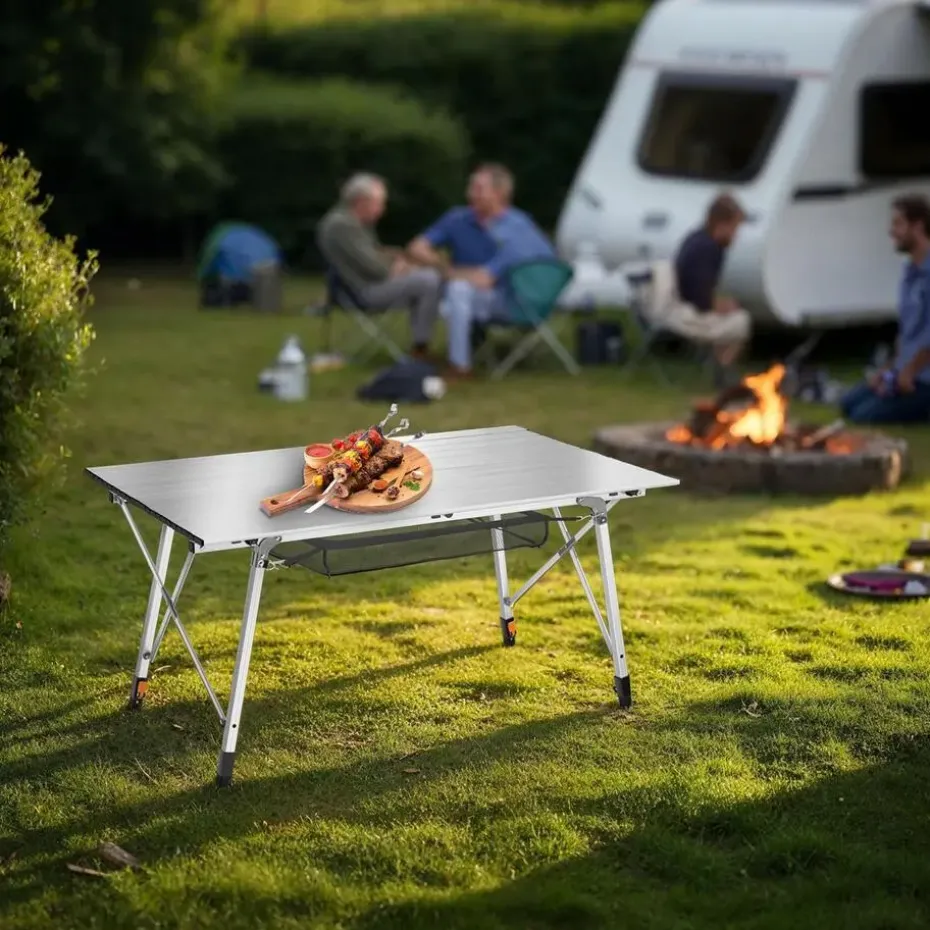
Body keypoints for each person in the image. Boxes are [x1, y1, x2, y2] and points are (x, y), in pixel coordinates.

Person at [407, 163, 556, 379]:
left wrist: (449, 273)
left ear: (500, 193)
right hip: (475, 297)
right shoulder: (457, 218)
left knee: (458, 290)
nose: (470, 194)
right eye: (471, 187)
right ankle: (433, 352)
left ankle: (459, 366)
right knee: (439, 285)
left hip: (511, 301)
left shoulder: (517, 228)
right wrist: (442, 266)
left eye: (478, 188)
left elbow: (484, 279)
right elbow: (416, 247)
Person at [317, 173, 441, 359]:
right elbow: (378, 270)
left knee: (428, 279)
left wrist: (395, 260)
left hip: (367, 286)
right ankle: (421, 347)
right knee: (429, 280)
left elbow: (374, 254)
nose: (383, 209)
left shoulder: (356, 223)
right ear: (361, 201)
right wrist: (401, 266)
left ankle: (423, 344)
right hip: (362, 292)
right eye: (379, 203)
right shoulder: (343, 226)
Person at [841, 194, 930, 424]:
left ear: (918, 226)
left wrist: (908, 372)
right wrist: (888, 369)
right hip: (906, 371)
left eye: (898, 224)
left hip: (923, 377)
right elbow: (908, 334)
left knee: (864, 416)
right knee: (848, 404)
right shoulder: (910, 272)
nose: (891, 232)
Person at [669, 193, 753, 383]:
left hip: (680, 306)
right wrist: (724, 305)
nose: (736, 235)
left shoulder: (697, 238)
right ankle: (723, 371)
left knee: (729, 314)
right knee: (741, 321)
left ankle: (721, 368)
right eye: (734, 228)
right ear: (722, 225)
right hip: (689, 313)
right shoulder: (708, 249)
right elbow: (701, 300)